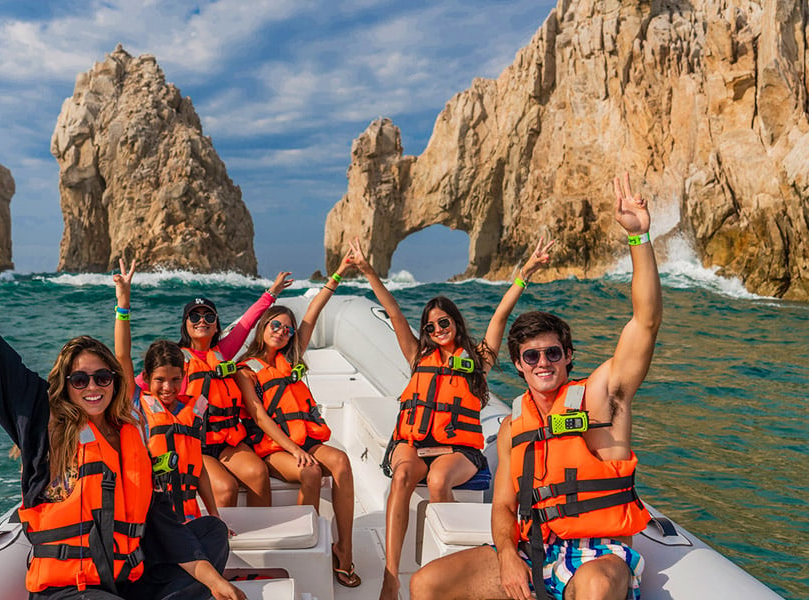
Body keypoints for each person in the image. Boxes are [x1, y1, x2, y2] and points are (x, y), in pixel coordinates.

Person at [0, 242, 245, 600]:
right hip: (69, 589)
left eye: (102, 377)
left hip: (123, 582)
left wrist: (217, 582)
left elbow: (169, 532)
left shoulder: (131, 437)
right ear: (66, 385)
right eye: (80, 380)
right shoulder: (47, 423)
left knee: (210, 534)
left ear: (115, 381)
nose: (92, 387)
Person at [408, 173, 661, 600]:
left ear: (568, 357)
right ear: (519, 366)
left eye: (553, 353)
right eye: (532, 356)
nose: (543, 362)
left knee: (596, 587)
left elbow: (646, 322)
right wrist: (508, 555)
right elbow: (505, 507)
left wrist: (639, 238)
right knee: (426, 583)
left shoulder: (602, 396)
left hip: (598, 555)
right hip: (531, 552)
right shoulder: (513, 427)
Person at [349, 236, 555, 600]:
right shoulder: (417, 357)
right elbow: (394, 312)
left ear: (455, 323)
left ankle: (455, 568)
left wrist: (524, 274)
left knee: (442, 479)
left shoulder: (478, 360)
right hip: (413, 444)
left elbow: (500, 317)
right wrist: (367, 270)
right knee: (402, 477)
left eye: (442, 322)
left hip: (457, 449)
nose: (436, 329)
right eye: (429, 326)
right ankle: (391, 576)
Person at [237, 258, 360, 588]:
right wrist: (294, 450)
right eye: (275, 326)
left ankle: (342, 547)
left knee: (342, 463)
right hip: (274, 447)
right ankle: (302, 542)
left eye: (287, 329)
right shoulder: (246, 369)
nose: (281, 332)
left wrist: (340, 272)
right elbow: (260, 417)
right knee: (310, 471)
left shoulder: (291, 357)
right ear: (263, 328)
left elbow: (313, 311)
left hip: (303, 439)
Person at [179, 274, 294, 508]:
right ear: (186, 323)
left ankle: (262, 533)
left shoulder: (223, 351)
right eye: (195, 316)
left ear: (216, 324)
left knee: (258, 472)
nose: (202, 321)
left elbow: (247, 322)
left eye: (209, 316)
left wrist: (271, 293)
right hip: (193, 442)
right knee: (226, 487)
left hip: (226, 441)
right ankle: (221, 542)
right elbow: (141, 383)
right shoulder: (175, 358)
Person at [138, 339, 222, 522]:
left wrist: (214, 513)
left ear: (184, 377)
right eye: (160, 380)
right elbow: (122, 356)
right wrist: (123, 312)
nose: (168, 388)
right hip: (156, 518)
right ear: (146, 378)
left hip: (189, 515)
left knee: (216, 536)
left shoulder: (194, 410)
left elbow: (198, 468)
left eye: (175, 380)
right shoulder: (138, 410)